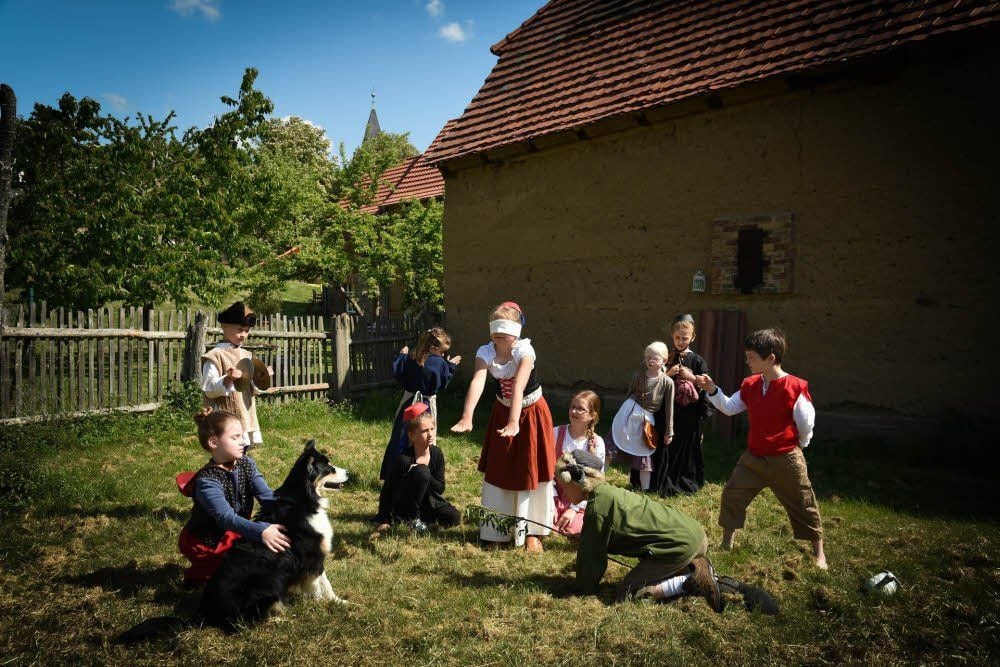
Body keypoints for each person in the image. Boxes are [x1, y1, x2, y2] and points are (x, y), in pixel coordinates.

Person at [695, 328, 828, 569]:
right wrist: (712, 390)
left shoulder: (795, 387)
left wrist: (802, 444)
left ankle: (819, 552)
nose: (747, 361)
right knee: (733, 493)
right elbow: (729, 407)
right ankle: (727, 542)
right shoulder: (751, 384)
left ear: (771, 359)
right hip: (754, 457)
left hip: (785, 459)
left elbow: (806, 422)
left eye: (751, 357)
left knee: (803, 502)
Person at [555, 450, 723, 611]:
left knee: (629, 593)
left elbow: (591, 560)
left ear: (578, 481)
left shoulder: (597, 508)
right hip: (695, 534)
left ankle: (690, 581)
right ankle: (691, 565)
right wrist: (586, 537)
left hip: (681, 545)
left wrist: (583, 589)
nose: (563, 491)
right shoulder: (608, 493)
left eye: (563, 486)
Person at [451, 301, 556, 553]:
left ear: (516, 332)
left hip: (530, 413)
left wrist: (514, 421)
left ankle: (533, 531)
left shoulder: (525, 351)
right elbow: (478, 380)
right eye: (495, 333)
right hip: (502, 411)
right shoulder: (485, 351)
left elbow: (518, 386)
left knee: (532, 467)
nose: (499, 339)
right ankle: (496, 529)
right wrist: (467, 416)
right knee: (501, 467)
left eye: (505, 334)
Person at [178, 409, 289, 585]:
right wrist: (261, 531)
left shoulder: (246, 463)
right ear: (214, 442)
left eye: (242, 436)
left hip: (235, 531)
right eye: (235, 437)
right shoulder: (208, 480)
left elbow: (266, 496)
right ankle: (197, 576)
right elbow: (225, 518)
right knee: (232, 578)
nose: (244, 442)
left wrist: (294, 511)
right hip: (208, 541)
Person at [379, 327, 461, 481]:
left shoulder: (410, 357)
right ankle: (422, 475)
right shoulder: (439, 363)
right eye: (442, 352)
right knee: (425, 437)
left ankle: (395, 475)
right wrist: (451, 366)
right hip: (427, 406)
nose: (443, 355)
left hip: (408, 403)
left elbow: (399, 373)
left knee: (402, 437)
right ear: (432, 348)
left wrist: (401, 355)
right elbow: (441, 383)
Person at [375, 403, 461, 533]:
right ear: (411, 435)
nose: (430, 434)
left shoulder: (437, 453)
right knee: (421, 471)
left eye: (432, 429)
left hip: (429, 501)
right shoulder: (404, 459)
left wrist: (426, 473)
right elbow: (388, 490)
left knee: (453, 517)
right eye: (424, 431)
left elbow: (440, 488)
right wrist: (384, 520)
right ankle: (409, 519)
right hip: (406, 504)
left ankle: (423, 518)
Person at [201, 301, 272, 449]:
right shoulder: (215, 356)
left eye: (247, 331)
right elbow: (208, 389)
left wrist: (262, 376)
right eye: (240, 329)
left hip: (245, 415)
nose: (243, 335)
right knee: (228, 452)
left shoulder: (246, 355)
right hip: (225, 417)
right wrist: (228, 379)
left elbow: (252, 389)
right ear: (224, 327)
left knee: (242, 452)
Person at [656, 314, 713, 496]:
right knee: (667, 444)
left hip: (689, 414)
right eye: (678, 338)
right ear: (672, 336)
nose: (681, 341)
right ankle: (664, 478)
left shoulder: (697, 361)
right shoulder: (666, 359)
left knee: (686, 446)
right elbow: (653, 381)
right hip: (668, 411)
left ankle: (685, 481)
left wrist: (692, 378)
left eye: (685, 338)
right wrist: (669, 373)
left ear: (692, 338)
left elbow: (706, 384)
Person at [610, 342, 674, 491]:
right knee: (612, 444)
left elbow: (669, 408)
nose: (651, 361)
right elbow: (629, 394)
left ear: (664, 360)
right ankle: (600, 479)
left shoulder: (668, 382)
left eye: (655, 358)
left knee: (644, 452)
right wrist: (623, 415)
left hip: (646, 420)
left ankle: (644, 490)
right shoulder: (637, 376)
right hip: (628, 413)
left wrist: (669, 431)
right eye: (648, 358)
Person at [551, 390, 605, 537]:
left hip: (581, 498)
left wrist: (574, 509)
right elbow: (547, 473)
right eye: (572, 406)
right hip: (554, 492)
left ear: (591, 416)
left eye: (581, 409)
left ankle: (573, 518)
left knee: (575, 530)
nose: (574, 411)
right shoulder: (556, 433)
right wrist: (551, 501)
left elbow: (594, 483)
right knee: (545, 522)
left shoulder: (597, 442)